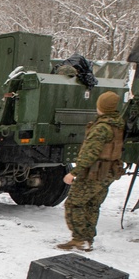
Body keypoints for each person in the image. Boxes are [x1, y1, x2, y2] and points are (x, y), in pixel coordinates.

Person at [58, 90, 126, 251]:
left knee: (74, 203)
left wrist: (73, 172)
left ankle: (79, 239)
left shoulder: (101, 127)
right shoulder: (117, 123)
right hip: (108, 172)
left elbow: (90, 152)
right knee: (92, 205)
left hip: (94, 172)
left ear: (102, 106)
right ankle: (87, 238)